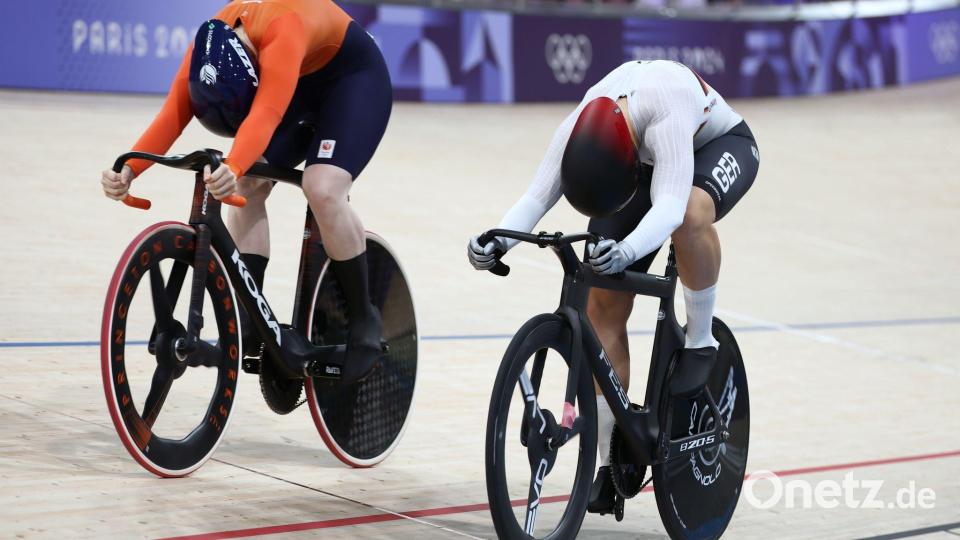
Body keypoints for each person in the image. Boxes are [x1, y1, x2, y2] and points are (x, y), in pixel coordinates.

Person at [467, 60, 759, 513]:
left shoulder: (666, 107)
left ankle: (701, 341)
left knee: (691, 215)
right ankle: (609, 464)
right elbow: (535, 198)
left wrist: (625, 252)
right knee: (602, 303)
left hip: (716, 145)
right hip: (640, 165)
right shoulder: (578, 123)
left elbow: (668, 209)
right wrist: (495, 240)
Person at [100, 0, 392, 384]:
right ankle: (252, 321)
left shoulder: (283, 30)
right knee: (249, 187)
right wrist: (129, 170)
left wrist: (233, 166)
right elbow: (173, 112)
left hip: (352, 82)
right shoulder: (210, 42)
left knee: (321, 187)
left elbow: (266, 115)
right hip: (295, 82)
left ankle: (364, 320)